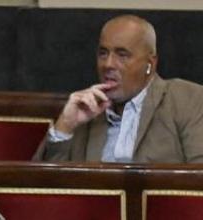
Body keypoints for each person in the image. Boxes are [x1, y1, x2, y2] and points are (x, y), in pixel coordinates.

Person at [34, 14, 203, 163]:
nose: (108, 64)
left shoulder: (187, 100)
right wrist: (65, 125)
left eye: (122, 55)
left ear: (149, 65)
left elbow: (197, 180)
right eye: (103, 53)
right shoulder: (87, 108)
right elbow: (47, 186)